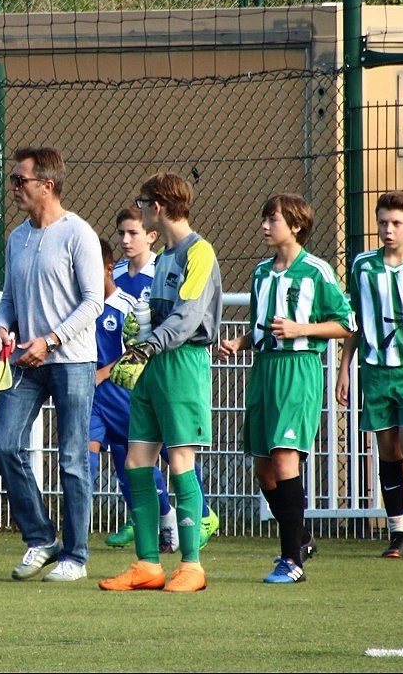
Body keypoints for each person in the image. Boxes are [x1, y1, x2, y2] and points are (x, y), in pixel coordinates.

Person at [217, 194, 353, 584]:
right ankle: (302, 538)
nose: (264, 226)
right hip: (265, 371)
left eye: (272, 219)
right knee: (264, 470)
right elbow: (263, 329)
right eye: (264, 219)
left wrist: (302, 329)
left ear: (295, 226)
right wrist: (240, 343)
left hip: (298, 371)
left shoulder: (317, 272)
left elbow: (346, 324)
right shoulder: (262, 273)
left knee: (283, 459)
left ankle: (291, 559)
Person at [99, 172, 222, 592]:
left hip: (181, 364)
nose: (141, 206)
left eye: (143, 200)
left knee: (181, 461)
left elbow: (188, 316)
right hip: (153, 364)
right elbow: (162, 310)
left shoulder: (198, 252)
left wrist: (147, 346)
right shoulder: (167, 254)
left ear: (158, 207)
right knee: (137, 462)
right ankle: (148, 564)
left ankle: (191, 565)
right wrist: (141, 328)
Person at [0, 146, 102, 583]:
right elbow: (8, 298)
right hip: (24, 361)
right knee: (4, 445)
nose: (14, 188)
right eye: (14, 181)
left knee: (73, 458)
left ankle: (76, 555)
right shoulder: (17, 237)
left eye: (21, 181)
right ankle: (41, 538)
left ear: (48, 185)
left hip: (71, 361)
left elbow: (94, 301)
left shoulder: (79, 234)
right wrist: (3, 327)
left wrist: (52, 340)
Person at [337, 191, 403, 558]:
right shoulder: (364, 265)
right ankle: (398, 532)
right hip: (376, 370)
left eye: (396, 223)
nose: (388, 230)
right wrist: (344, 369)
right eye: (382, 223)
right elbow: (354, 322)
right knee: (388, 451)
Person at [91, 234, 179, 554]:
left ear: (107, 269)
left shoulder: (127, 306)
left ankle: (172, 518)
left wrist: (103, 372)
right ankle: (74, 534)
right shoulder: (80, 306)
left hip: (122, 394)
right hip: (90, 399)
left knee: (143, 463)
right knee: (85, 460)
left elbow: (137, 349)